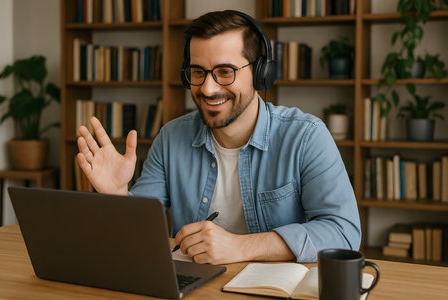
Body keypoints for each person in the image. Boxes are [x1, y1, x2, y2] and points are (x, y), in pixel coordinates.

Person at [77, 10, 361, 265]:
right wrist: (117, 195)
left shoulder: (306, 136)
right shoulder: (171, 138)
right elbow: (136, 239)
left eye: (225, 72)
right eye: (198, 72)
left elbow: (344, 232)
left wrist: (241, 247)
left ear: (261, 74)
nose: (209, 89)